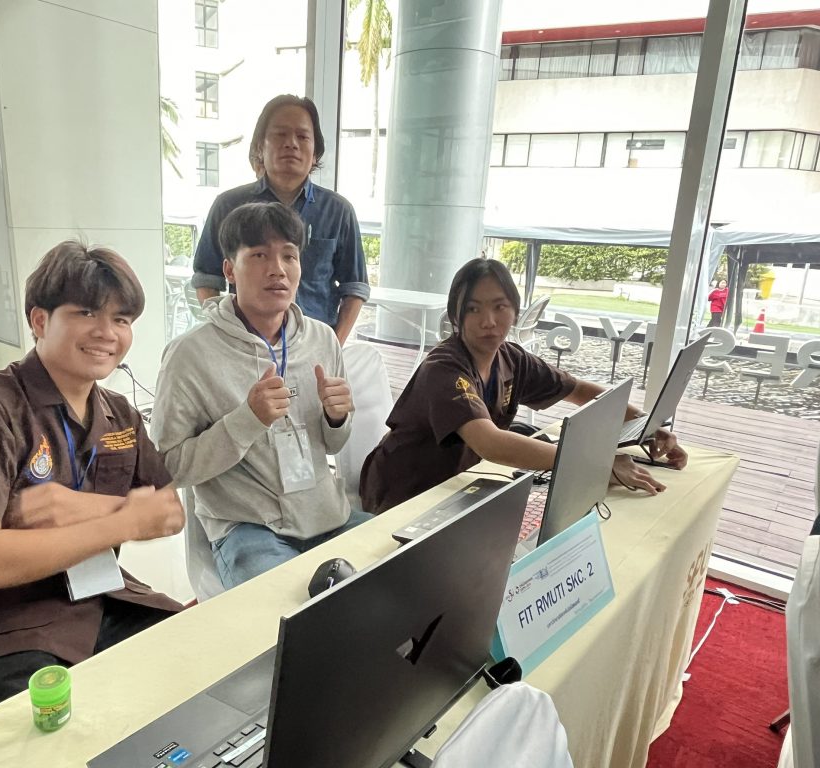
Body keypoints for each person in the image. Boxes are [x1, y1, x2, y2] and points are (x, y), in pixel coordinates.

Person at [0, 241, 186, 718]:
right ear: (39, 321)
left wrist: (81, 507)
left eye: (122, 319)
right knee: (59, 739)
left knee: (202, 676)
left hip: (101, 599)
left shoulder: (118, 413)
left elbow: (169, 514)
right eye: (86, 312)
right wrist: (122, 521)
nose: (107, 333)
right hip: (5, 628)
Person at [359, 258, 689, 514]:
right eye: (473, 309)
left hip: (458, 485)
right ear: (455, 317)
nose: (488, 321)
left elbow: (580, 391)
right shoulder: (443, 368)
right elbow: (491, 443)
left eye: (499, 306)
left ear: (515, 312)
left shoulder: (512, 358)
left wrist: (645, 426)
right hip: (405, 492)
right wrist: (594, 465)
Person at [154, 202, 370, 588]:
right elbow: (168, 468)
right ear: (228, 270)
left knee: (399, 572)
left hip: (326, 516)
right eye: (259, 255)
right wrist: (247, 420)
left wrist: (337, 418)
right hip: (247, 527)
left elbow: (334, 444)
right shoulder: (190, 355)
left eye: (289, 255)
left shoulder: (322, 339)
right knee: (287, 612)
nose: (278, 269)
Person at [192, 95, 369, 345]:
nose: (291, 144)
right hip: (245, 346)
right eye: (280, 135)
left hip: (313, 347)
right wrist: (226, 335)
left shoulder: (338, 211)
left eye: (302, 136)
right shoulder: (228, 205)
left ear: (315, 153)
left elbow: (355, 286)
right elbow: (206, 277)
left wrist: (333, 346)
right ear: (259, 148)